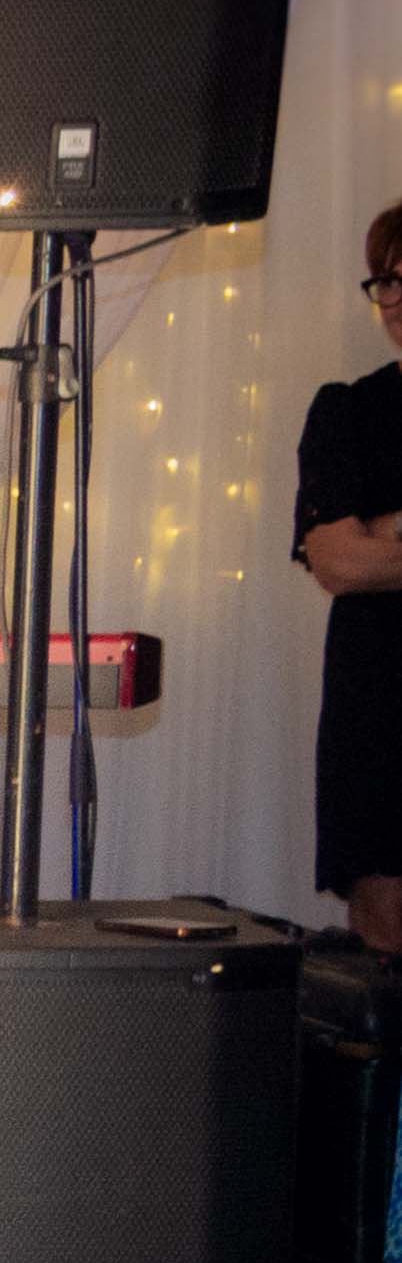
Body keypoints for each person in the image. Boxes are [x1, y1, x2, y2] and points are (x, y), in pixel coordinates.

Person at [289, 200, 402, 952]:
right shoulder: (348, 412)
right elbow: (338, 560)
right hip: (381, 711)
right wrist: (365, 544)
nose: (397, 299)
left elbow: (364, 549)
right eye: (387, 281)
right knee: (386, 940)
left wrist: (384, 526)